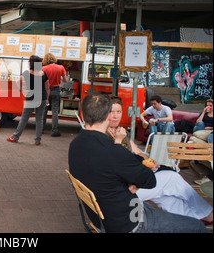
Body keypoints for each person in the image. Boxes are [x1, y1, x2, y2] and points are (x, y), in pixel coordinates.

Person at [68, 92, 206, 233]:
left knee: (165, 201)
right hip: (129, 222)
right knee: (197, 227)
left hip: (104, 217)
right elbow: (150, 180)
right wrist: (133, 180)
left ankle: (199, 214)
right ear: (107, 116)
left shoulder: (76, 144)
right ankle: (204, 216)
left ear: (83, 114)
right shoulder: (114, 151)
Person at [107, 96, 213, 225]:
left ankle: (190, 221)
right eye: (111, 112)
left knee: (167, 196)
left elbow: (139, 153)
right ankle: (208, 214)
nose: (115, 116)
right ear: (104, 113)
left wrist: (148, 162)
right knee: (172, 179)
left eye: (119, 112)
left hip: (134, 179)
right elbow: (113, 163)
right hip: (125, 189)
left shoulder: (122, 132)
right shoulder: (105, 136)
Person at [7, 55, 49, 145]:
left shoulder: (27, 73)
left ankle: (15, 137)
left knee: (24, 118)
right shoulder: (43, 74)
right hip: (42, 98)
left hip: (31, 98)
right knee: (39, 119)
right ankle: (38, 140)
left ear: (31, 63)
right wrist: (47, 99)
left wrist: (21, 90)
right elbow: (47, 88)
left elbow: (17, 81)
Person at [42, 52, 67, 137]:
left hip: (45, 92)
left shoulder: (43, 68)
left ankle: (41, 130)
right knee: (55, 112)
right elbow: (65, 80)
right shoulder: (61, 67)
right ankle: (54, 131)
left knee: (44, 111)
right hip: (56, 91)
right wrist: (59, 77)